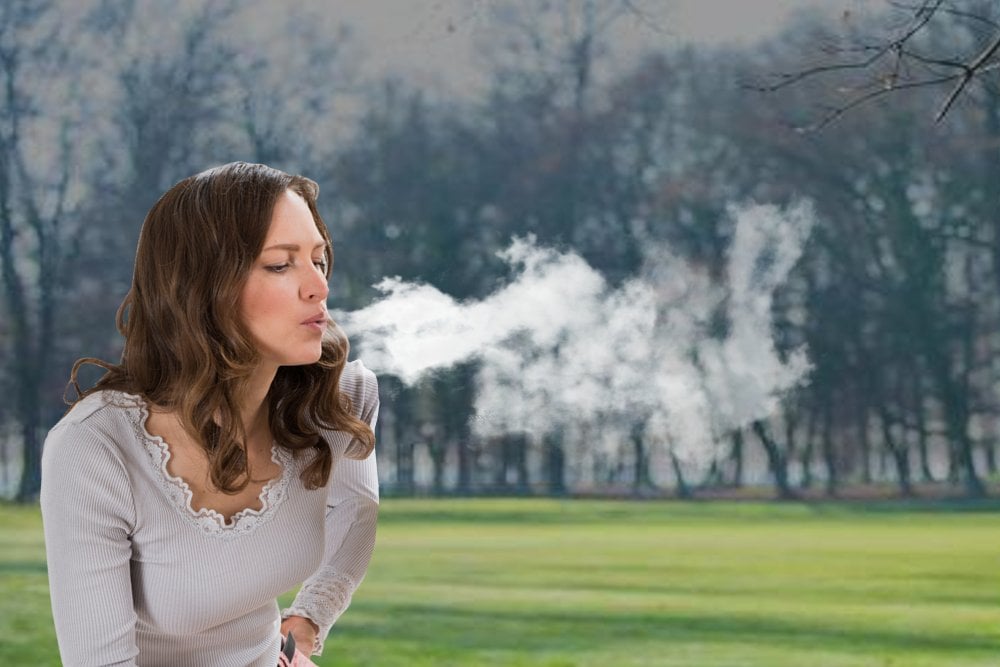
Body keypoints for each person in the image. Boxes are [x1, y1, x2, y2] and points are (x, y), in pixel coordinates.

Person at [39, 162, 380, 666]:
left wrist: (308, 620)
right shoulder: (97, 448)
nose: (318, 288)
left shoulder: (336, 397)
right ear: (202, 287)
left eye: (319, 260)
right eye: (280, 265)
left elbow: (357, 511)